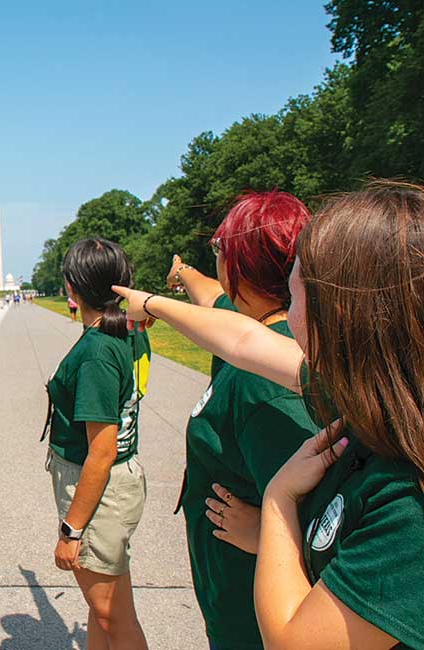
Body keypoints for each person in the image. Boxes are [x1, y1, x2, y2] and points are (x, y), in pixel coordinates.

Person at [113, 181, 424, 649]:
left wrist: (278, 503)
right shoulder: (373, 396)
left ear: (344, 315)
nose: (284, 316)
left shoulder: (412, 502)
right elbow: (241, 339)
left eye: (295, 298)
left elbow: (292, 642)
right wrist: (153, 300)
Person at [165, 192, 318, 649]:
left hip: (254, 620)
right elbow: (213, 300)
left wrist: (271, 535)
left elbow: (335, 517)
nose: (215, 261)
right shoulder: (260, 326)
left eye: (219, 249)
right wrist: (182, 274)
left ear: (240, 265)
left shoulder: (262, 385)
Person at [44, 237, 151, 650]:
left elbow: (101, 450)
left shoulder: (97, 352)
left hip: (99, 493)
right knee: (100, 610)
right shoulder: (127, 331)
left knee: (114, 616)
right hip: (114, 489)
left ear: (72, 289)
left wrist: (71, 530)